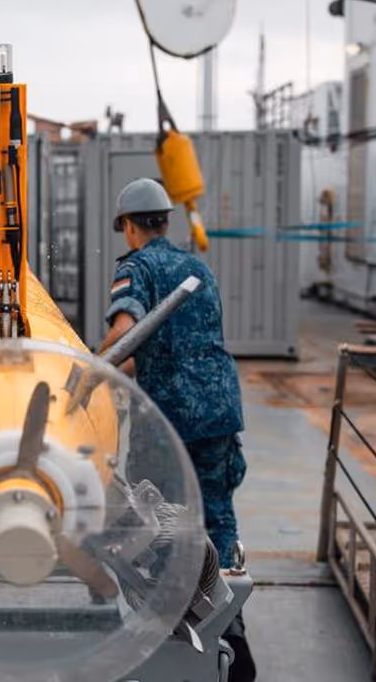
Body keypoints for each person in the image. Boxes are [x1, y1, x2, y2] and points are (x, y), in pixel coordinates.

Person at [98, 177, 256, 682]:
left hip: (170, 417)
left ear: (127, 226)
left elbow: (125, 336)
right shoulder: (198, 268)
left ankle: (170, 631)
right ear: (166, 220)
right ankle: (232, 627)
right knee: (216, 514)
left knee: (158, 520)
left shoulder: (137, 268)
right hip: (218, 408)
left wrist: (78, 374)